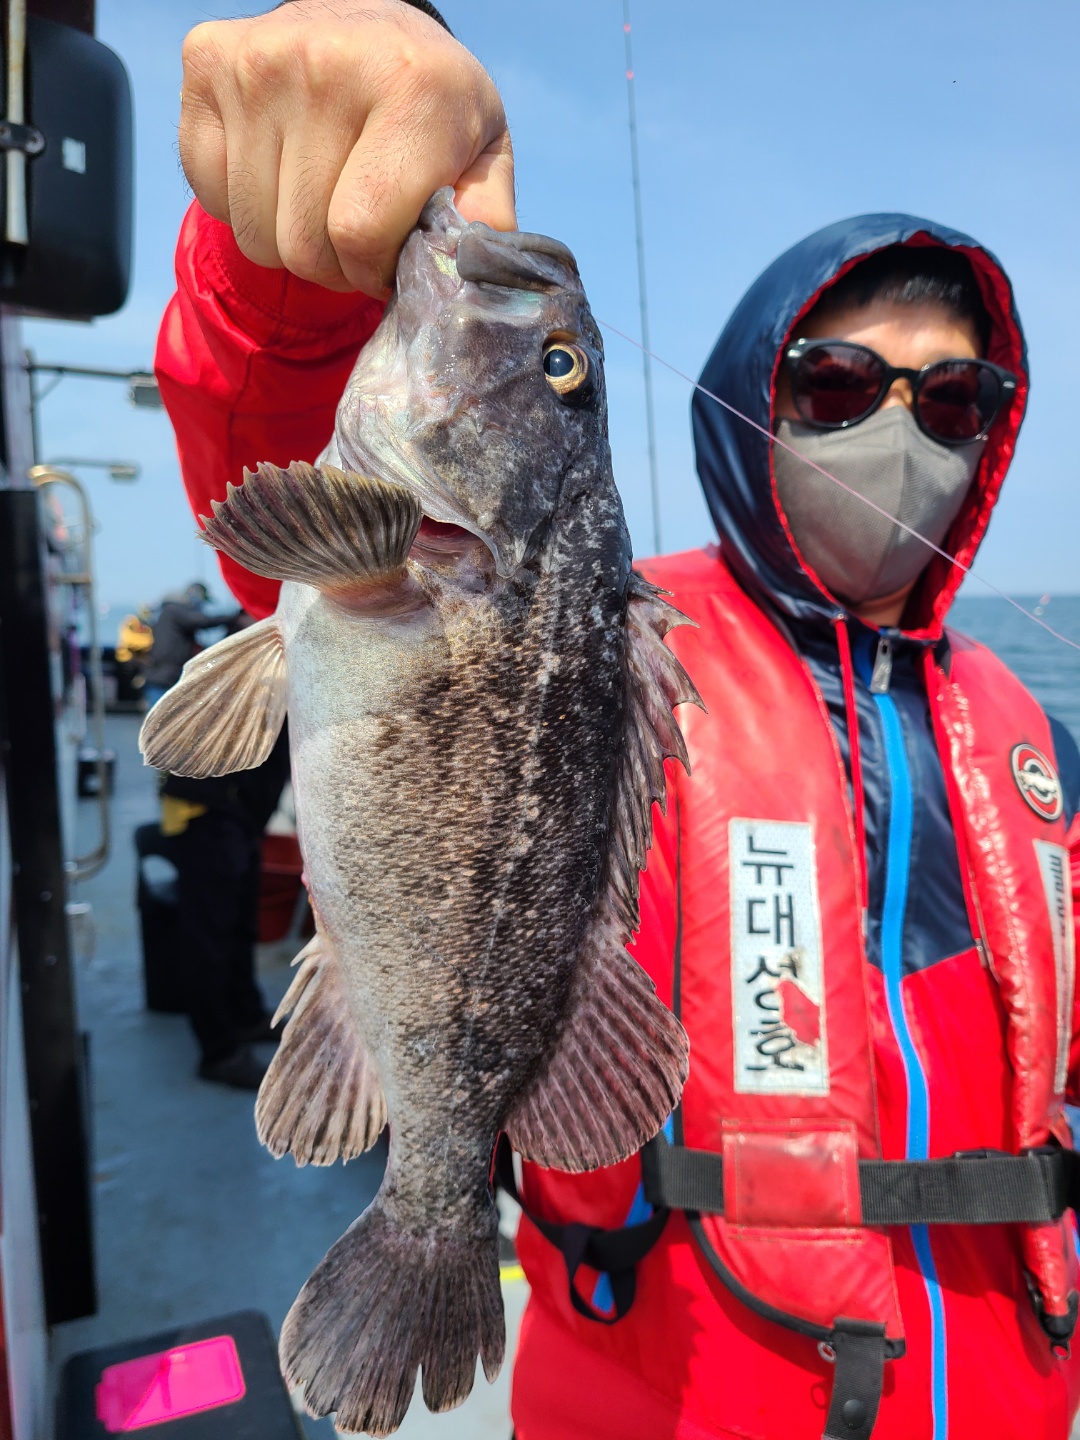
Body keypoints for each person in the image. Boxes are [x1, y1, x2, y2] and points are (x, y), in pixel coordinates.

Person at [154, 3, 1080, 1435]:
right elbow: (270, 453)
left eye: (955, 398)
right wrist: (294, 262)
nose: (901, 433)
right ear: (760, 398)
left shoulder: (1028, 736)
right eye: (840, 384)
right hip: (678, 1395)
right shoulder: (632, 633)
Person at [144, 581, 238, 707]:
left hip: (166, 678)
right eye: (202, 601)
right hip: (164, 680)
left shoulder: (169, 613)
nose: (202, 607)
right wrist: (233, 618)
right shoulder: (174, 610)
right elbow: (201, 621)